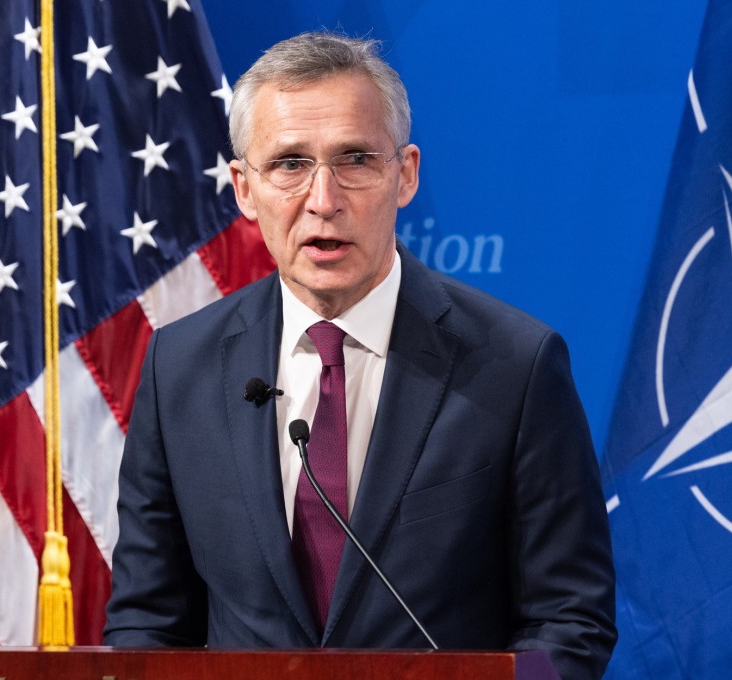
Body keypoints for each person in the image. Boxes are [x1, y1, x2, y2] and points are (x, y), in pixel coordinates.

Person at [104, 31, 616, 679]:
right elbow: (148, 621)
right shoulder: (178, 365)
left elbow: (569, 618)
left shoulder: (516, 364)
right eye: (290, 164)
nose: (323, 199)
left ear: (404, 176)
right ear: (243, 187)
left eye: (355, 160)